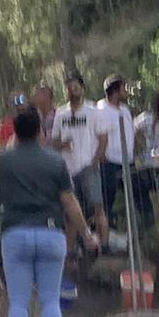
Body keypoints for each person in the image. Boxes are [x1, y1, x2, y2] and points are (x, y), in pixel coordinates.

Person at [0, 105, 99, 317]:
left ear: (15, 133)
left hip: (15, 234)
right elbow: (69, 203)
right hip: (51, 233)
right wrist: (86, 234)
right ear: (40, 131)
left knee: (19, 302)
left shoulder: (2, 161)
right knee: (50, 301)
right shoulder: (55, 162)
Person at [51, 74, 107, 247]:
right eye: (69, 88)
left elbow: (103, 138)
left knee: (97, 208)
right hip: (68, 169)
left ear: (82, 89)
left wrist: (95, 161)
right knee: (71, 213)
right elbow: (53, 141)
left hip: (88, 166)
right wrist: (62, 144)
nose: (72, 91)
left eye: (75, 87)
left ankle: (104, 246)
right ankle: (71, 253)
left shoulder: (93, 111)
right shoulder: (61, 114)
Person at [98, 75, 142, 233]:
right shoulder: (102, 110)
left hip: (128, 161)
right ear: (115, 90)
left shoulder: (124, 109)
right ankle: (105, 232)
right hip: (110, 162)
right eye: (123, 88)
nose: (126, 91)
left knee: (139, 194)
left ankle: (143, 229)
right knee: (107, 198)